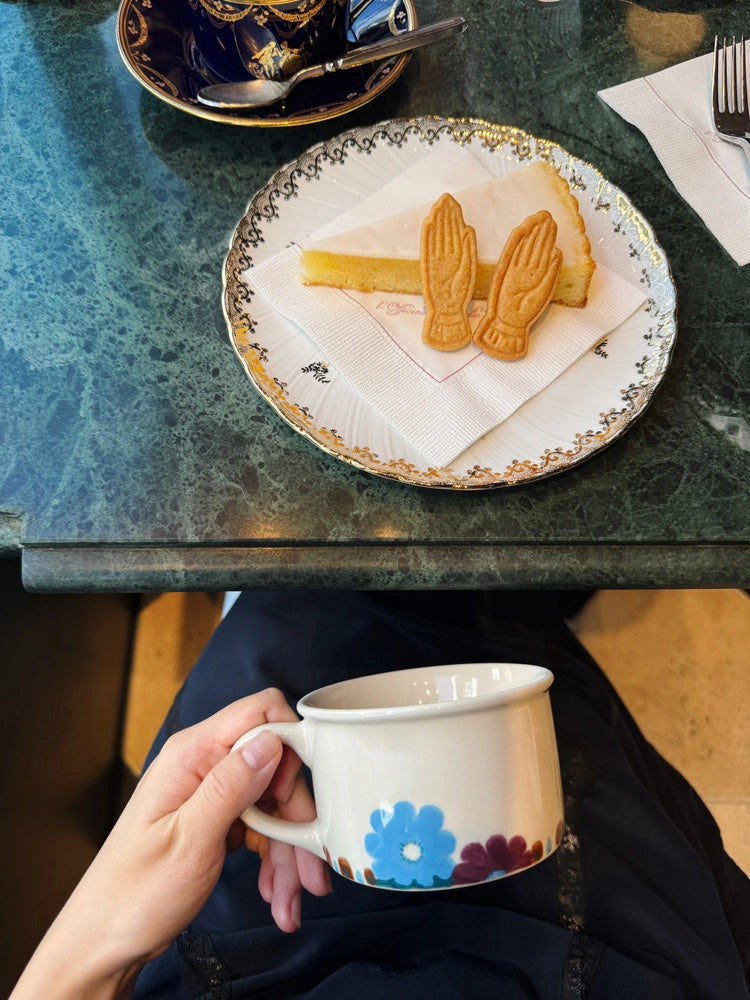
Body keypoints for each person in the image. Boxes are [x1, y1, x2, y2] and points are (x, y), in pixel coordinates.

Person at [11, 592, 750, 999]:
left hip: (269, 938)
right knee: (502, 629)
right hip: (592, 940)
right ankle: (526, 592)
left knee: (289, 614)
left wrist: (90, 950)